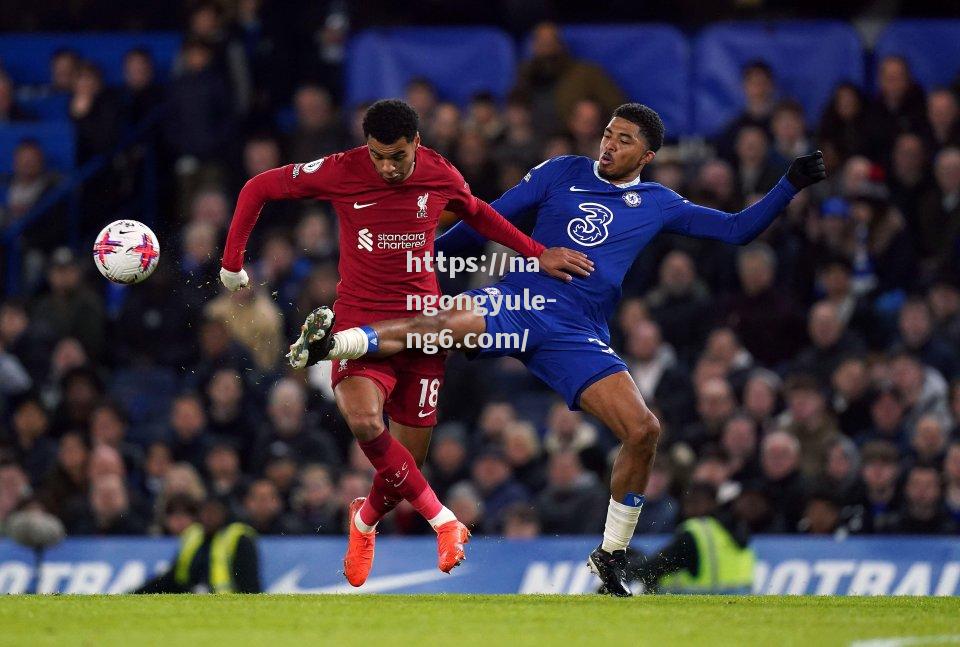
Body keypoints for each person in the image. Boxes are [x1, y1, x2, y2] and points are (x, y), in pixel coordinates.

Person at [296, 103, 826, 595]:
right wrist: (419, 259)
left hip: (576, 333)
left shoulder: (659, 202)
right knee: (439, 325)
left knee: (644, 431)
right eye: (607, 135)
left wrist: (789, 185)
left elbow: (736, 231)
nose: (610, 146)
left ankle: (612, 555)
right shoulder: (560, 172)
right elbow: (485, 221)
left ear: (648, 155)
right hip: (519, 299)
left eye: (623, 141)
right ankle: (335, 342)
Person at [218, 99, 590, 587]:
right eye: (378, 156)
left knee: (404, 464)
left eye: (396, 155)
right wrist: (232, 261)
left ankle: (364, 520)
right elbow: (258, 187)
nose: (387, 167)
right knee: (366, 421)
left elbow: (478, 214)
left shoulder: (440, 173)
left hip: (422, 331)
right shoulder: (342, 169)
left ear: (416, 142)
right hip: (357, 327)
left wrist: (537, 253)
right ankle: (445, 521)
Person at [624, 482, 760, 594]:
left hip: (704, 602)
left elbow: (652, 569)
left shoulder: (696, 532)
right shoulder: (737, 528)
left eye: (694, 501)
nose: (689, 507)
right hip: (742, 602)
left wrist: (626, 563)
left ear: (712, 504)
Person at [134, 496, 260, 593]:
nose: (208, 517)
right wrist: (137, 593)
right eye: (205, 512)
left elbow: (249, 585)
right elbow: (174, 578)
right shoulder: (193, 536)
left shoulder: (238, 538)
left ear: (224, 513)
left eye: (214, 512)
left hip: (227, 605)